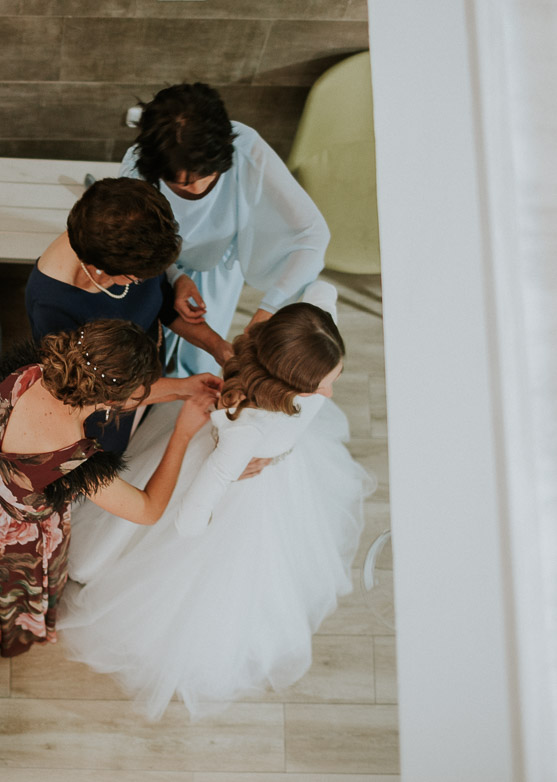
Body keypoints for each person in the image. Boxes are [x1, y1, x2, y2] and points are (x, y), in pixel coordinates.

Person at [58, 283, 374, 718]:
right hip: (235, 491)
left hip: (279, 473)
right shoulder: (245, 433)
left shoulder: (300, 336)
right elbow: (188, 521)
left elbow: (323, 290)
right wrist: (224, 504)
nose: (330, 395)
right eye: (322, 386)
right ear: (288, 382)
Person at [0, 319, 216, 658]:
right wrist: (182, 433)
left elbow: (110, 393)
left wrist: (183, 387)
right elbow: (148, 510)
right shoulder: (69, 455)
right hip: (20, 540)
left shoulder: (35, 372)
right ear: (113, 396)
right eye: (141, 387)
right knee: (18, 596)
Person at [121, 82, 329, 378]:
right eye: (181, 184)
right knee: (144, 348)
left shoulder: (245, 145)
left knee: (203, 360)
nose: (198, 188)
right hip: (147, 266)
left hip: (215, 263)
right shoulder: (135, 171)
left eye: (208, 175)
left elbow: (312, 234)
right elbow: (135, 245)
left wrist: (267, 310)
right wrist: (175, 276)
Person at [25, 176, 228, 453]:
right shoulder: (52, 306)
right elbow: (91, 392)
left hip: (149, 375)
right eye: (137, 277)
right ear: (102, 269)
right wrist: (182, 388)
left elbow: (164, 306)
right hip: (106, 408)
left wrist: (219, 347)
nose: (145, 279)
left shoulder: (130, 246)